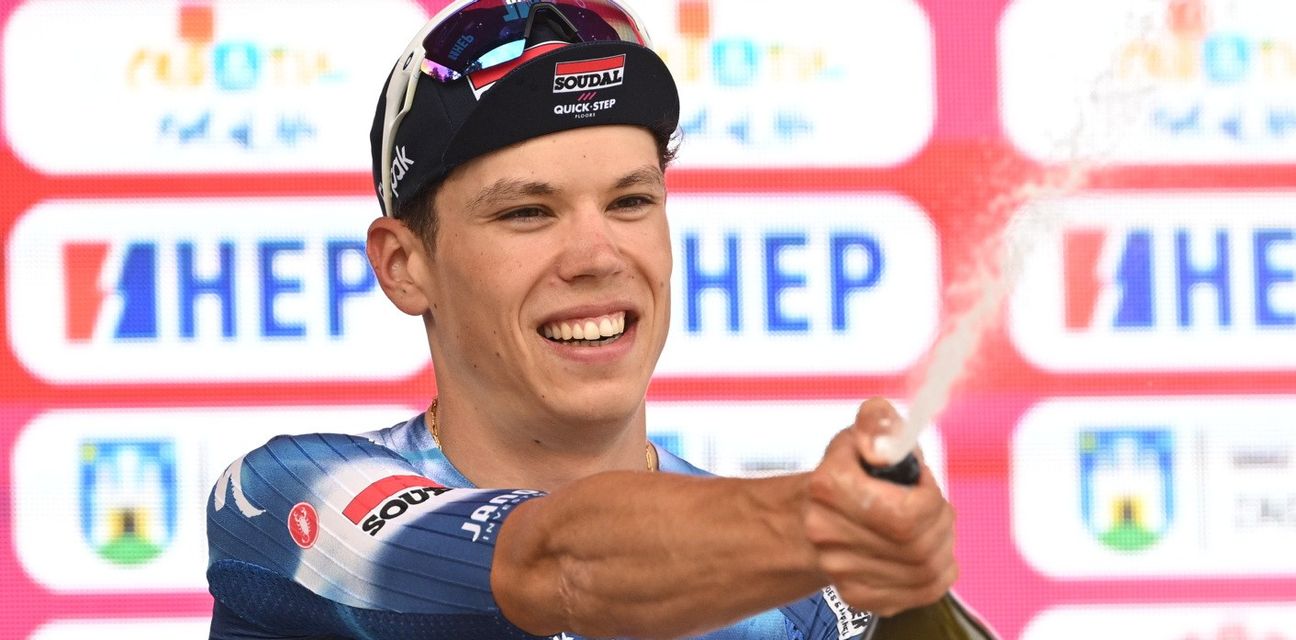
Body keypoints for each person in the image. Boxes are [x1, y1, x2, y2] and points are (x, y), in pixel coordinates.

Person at [206, 1, 989, 638]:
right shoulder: (287, 497)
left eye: (630, 201)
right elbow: (556, 567)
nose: (597, 256)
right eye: (526, 211)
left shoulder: (803, 599)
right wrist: (828, 524)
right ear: (403, 265)